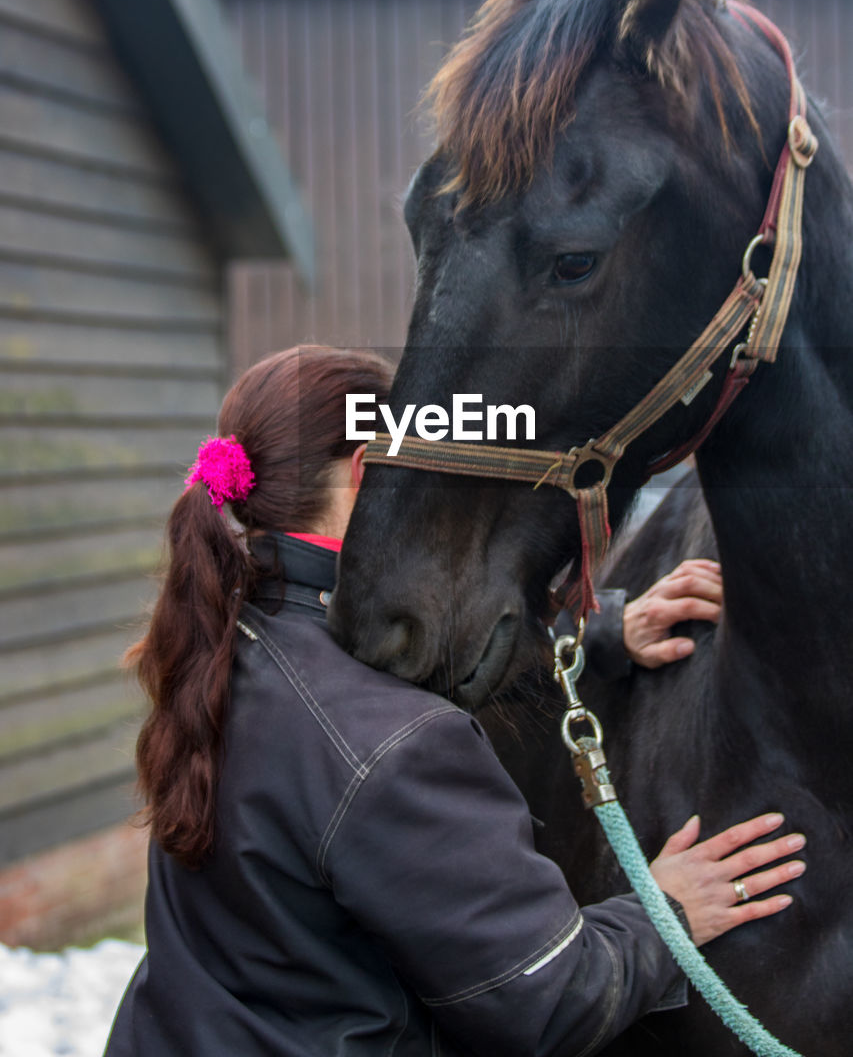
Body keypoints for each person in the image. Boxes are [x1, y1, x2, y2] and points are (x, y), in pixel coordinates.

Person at [105, 345, 804, 1056]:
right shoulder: (401, 744)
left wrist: (593, 632)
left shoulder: (225, 637)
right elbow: (546, 1000)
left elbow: (397, 657)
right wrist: (668, 912)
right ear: (371, 479)